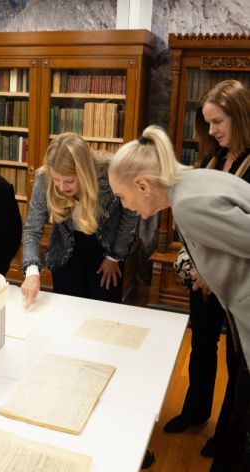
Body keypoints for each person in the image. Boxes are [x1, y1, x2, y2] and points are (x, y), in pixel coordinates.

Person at [109, 124, 250, 471]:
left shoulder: (188, 204)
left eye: (123, 197)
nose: (126, 206)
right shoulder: (198, 180)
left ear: (142, 185)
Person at [163, 80, 250, 459]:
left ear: (241, 116)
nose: (212, 131)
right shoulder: (213, 158)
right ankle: (195, 411)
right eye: (208, 123)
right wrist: (196, 267)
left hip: (234, 285)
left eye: (219, 121)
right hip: (202, 279)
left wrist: (213, 273)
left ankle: (226, 431)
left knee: (237, 361)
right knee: (200, 345)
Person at [21, 133, 139, 307]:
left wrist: (115, 257)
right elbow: (32, 228)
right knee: (68, 312)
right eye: (56, 180)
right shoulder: (43, 177)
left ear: (84, 172)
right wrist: (31, 272)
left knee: (103, 313)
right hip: (65, 251)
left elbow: (130, 214)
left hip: (105, 249)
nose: (61, 187)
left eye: (69, 181)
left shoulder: (110, 172)